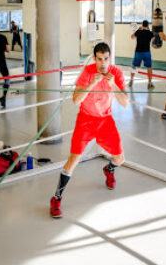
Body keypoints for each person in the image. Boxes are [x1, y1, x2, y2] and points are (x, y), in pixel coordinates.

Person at [50, 42, 129, 218]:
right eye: (99, 59)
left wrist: (114, 85)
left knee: (120, 159)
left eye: (106, 59)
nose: (103, 63)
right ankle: (56, 198)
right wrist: (91, 84)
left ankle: (109, 169)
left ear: (110, 58)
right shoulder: (87, 73)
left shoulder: (116, 73)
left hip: (105, 121)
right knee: (73, 161)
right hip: (85, 120)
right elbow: (76, 100)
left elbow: (125, 103)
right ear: (94, 59)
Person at [129, 20, 155, 89]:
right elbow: (154, 40)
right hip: (147, 52)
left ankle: (131, 80)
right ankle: (149, 83)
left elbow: (132, 37)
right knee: (149, 67)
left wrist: (136, 31)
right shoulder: (150, 33)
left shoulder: (138, 32)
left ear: (142, 25)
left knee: (134, 66)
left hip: (138, 52)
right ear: (148, 25)